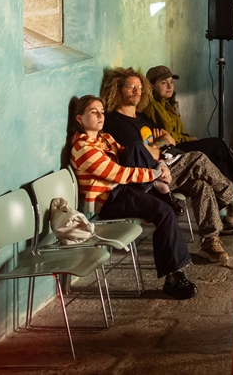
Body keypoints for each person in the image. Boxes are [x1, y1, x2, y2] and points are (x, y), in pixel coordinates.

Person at [100, 67, 233, 263]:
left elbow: (170, 140)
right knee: (198, 159)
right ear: (118, 91)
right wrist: (157, 145)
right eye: (130, 87)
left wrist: (156, 145)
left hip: (164, 169)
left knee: (201, 184)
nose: (137, 91)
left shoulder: (141, 117)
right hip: (146, 179)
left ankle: (210, 242)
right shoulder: (116, 122)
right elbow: (145, 153)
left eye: (139, 87)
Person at [68, 95, 196, 299]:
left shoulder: (105, 138)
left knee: (135, 146)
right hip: (109, 200)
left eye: (102, 112)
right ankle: (174, 277)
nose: (100, 116)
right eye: (94, 112)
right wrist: (154, 174)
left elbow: (133, 154)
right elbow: (118, 173)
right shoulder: (83, 149)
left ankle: (159, 189)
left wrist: (161, 164)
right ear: (79, 118)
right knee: (164, 212)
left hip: (124, 189)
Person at [142, 64, 233, 188]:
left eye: (171, 82)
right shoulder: (152, 107)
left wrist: (188, 139)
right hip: (172, 151)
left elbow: (177, 132)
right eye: (164, 83)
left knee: (218, 161)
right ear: (151, 86)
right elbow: (169, 135)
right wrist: (188, 139)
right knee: (218, 144)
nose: (170, 86)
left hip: (180, 144)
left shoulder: (167, 104)